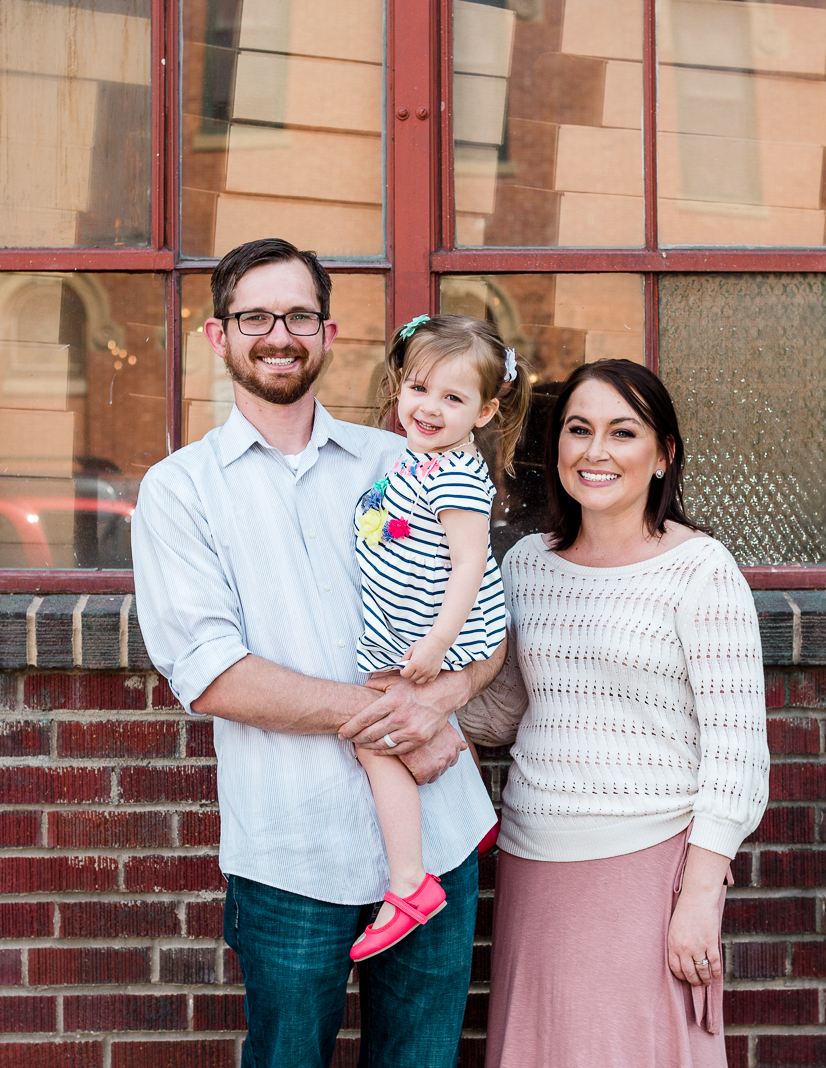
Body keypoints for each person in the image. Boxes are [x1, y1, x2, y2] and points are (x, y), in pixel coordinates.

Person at [131, 238, 501, 1068]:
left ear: (329, 333)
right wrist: (398, 715)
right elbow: (213, 675)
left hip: (437, 844)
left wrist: (441, 701)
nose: (279, 333)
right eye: (254, 315)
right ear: (216, 336)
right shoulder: (181, 490)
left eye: (299, 314)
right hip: (290, 852)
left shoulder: (404, 459)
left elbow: (485, 622)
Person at [457, 359, 770, 1068]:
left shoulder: (700, 570)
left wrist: (699, 897)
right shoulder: (527, 564)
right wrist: (410, 706)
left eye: (622, 432)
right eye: (579, 429)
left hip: (650, 863)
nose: (596, 451)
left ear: (663, 455)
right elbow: (506, 711)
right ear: (556, 448)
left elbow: (739, 754)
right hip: (536, 861)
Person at [347, 314, 530, 961]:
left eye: (452, 399)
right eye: (419, 388)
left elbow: (469, 565)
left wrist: (435, 643)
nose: (428, 407)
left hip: (441, 635)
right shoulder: (415, 459)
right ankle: (475, 819)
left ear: (484, 412)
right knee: (395, 729)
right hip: (412, 626)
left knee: (376, 737)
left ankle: (409, 884)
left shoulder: (455, 476)